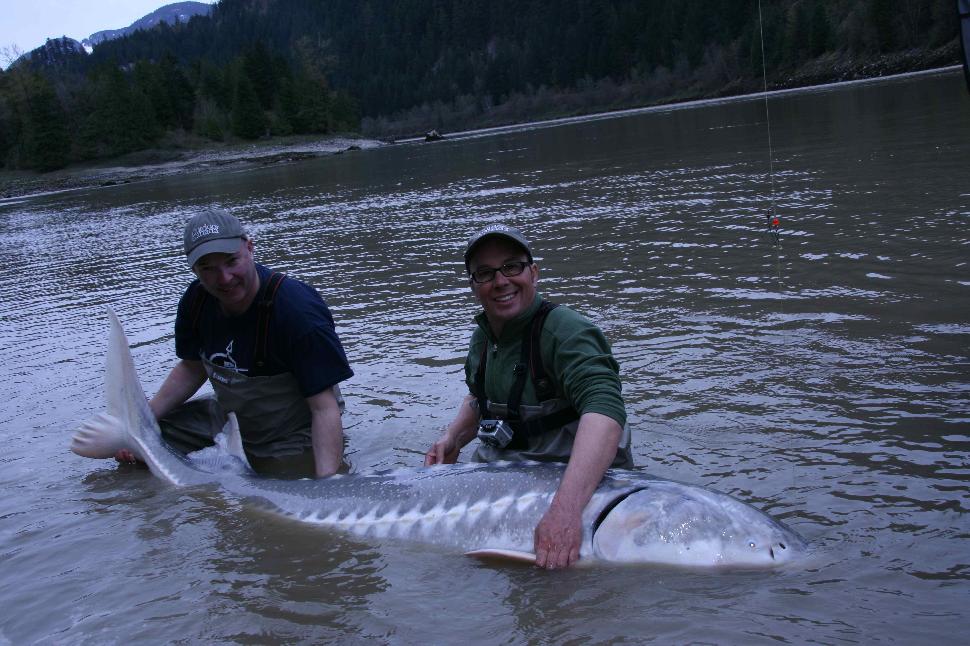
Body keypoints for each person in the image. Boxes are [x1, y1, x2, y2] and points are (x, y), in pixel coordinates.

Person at [84, 207, 353, 478]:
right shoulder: (196, 301)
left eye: (231, 261)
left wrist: (328, 483)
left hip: (291, 432)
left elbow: (324, 407)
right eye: (208, 269)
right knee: (138, 449)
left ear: (249, 247)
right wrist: (143, 422)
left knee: (274, 492)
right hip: (229, 415)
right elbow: (192, 368)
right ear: (194, 268)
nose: (224, 279)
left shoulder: (297, 312)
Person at [424, 223, 633, 569]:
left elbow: (605, 412)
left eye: (511, 266)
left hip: (572, 487)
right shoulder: (484, 337)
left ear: (533, 272)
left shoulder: (567, 330)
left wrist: (565, 513)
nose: (501, 281)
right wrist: (453, 438)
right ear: (474, 286)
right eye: (486, 273)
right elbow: (478, 399)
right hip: (508, 478)